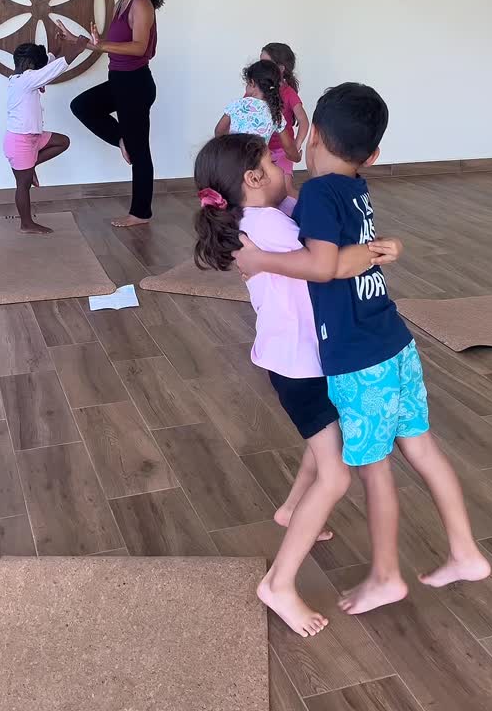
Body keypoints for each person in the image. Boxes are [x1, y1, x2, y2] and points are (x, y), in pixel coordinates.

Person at [234, 83, 491, 616]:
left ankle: (386, 576)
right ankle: (465, 551)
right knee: (421, 447)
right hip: (395, 342)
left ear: (314, 138)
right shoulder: (355, 187)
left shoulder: (323, 193)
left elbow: (324, 264)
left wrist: (261, 262)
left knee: (374, 470)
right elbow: (346, 243)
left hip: (358, 359)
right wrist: (385, 248)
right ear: (372, 155)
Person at [193, 132, 403, 636]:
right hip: (300, 368)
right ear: (252, 179)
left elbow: (298, 207)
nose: (284, 164)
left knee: (326, 438)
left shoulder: (264, 213)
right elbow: (323, 266)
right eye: (272, 160)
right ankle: (279, 584)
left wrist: (306, 198)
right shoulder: (265, 225)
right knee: (336, 474)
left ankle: (291, 508)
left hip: (299, 361)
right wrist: (373, 251)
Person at [58, 0, 164, 229]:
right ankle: (122, 139)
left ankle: (141, 212)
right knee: (82, 106)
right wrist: (79, 40)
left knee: (141, 152)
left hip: (136, 84)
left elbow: (139, 46)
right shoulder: (120, 5)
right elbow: (114, 45)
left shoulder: (141, 4)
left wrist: (98, 45)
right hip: (119, 81)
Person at [4, 37, 84, 234]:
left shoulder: (23, 76)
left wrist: (56, 45)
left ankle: (31, 166)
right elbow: (55, 68)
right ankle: (26, 224)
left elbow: (49, 62)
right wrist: (78, 48)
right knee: (23, 186)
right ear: (30, 65)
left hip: (33, 138)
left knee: (62, 142)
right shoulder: (26, 80)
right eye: (36, 67)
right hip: (19, 141)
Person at [215, 60, 299, 164]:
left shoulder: (236, 105)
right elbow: (288, 147)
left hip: (232, 162)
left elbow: (219, 131)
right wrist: (297, 157)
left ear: (252, 83)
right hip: (256, 165)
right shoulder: (275, 113)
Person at [261, 42, 309, 194]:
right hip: (260, 150)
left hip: (283, 150)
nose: (260, 68)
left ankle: (300, 215)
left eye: (265, 64)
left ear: (281, 69)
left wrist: (297, 144)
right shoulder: (256, 90)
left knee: (286, 189)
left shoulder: (289, 93)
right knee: (262, 188)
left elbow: (303, 121)